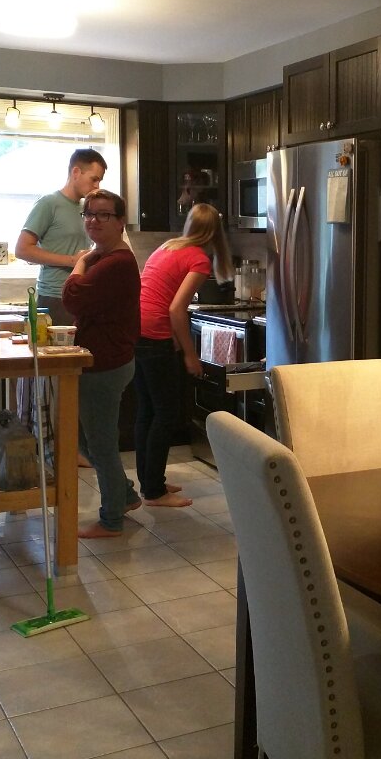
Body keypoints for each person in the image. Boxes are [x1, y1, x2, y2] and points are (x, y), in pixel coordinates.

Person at [135, 203, 233, 507]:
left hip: (137, 330)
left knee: (148, 411)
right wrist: (191, 355)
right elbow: (176, 309)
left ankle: (151, 482)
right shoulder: (198, 258)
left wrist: (178, 343)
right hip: (156, 334)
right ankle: (154, 492)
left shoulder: (168, 247)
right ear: (215, 232)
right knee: (166, 414)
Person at [62, 189, 141, 538]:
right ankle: (125, 496)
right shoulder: (104, 257)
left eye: (103, 214)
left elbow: (73, 297)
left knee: (100, 445)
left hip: (105, 365)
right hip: (103, 360)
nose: (94, 220)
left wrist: (79, 264)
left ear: (120, 222)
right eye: (89, 213)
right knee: (85, 440)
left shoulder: (116, 262)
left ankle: (111, 520)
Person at [16, 148, 106, 326]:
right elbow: (22, 249)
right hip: (55, 297)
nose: (97, 186)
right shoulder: (49, 203)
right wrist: (72, 260)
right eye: (94, 179)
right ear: (76, 172)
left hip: (81, 294)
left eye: (100, 181)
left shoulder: (87, 209)